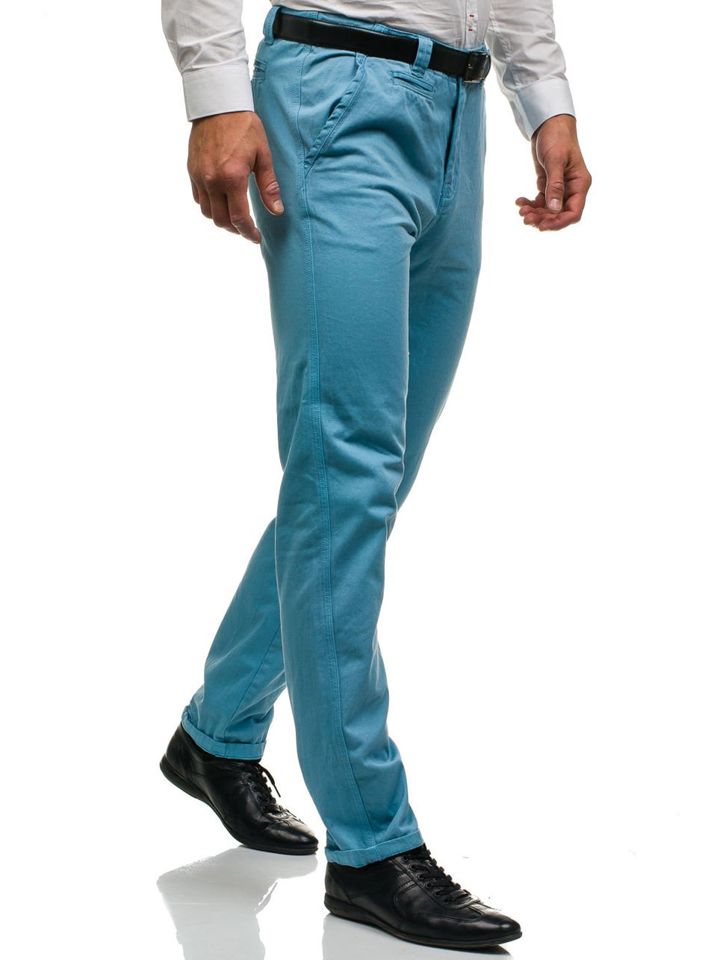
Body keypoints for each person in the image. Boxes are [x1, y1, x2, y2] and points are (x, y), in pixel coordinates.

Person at [158, 0, 592, 949]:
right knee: (345, 479)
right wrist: (215, 94)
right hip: (335, 97)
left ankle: (217, 732)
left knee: (360, 482)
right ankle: (371, 846)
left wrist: (545, 96)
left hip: (458, 111)